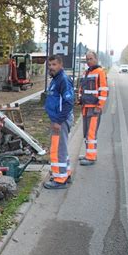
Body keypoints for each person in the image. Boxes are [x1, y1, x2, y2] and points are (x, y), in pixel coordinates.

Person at [43, 55, 74, 189]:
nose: (51, 67)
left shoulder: (62, 80)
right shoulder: (56, 79)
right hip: (58, 119)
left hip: (60, 120)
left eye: (54, 65)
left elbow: (68, 103)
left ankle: (60, 179)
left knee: (58, 149)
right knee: (62, 148)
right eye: (49, 65)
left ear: (60, 65)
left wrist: (58, 121)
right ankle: (65, 174)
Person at [78, 51, 108, 166]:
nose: (88, 61)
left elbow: (104, 90)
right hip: (86, 107)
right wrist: (80, 99)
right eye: (87, 59)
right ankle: (88, 154)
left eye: (90, 59)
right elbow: (82, 88)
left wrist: (99, 106)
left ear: (96, 59)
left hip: (94, 108)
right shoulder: (87, 73)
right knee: (86, 133)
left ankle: (91, 157)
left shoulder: (100, 72)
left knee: (91, 133)